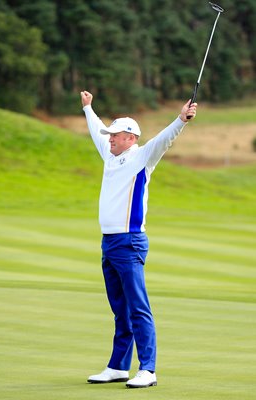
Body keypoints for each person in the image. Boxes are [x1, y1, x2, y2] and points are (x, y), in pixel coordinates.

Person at [81, 90, 197, 389]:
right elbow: (96, 132)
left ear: (130, 138)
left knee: (137, 307)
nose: (110, 139)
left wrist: (181, 119)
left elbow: (164, 139)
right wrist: (88, 109)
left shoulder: (143, 156)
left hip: (130, 242)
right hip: (108, 243)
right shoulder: (110, 155)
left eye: (116, 136)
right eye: (111, 136)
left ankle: (148, 368)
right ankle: (118, 367)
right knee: (120, 308)